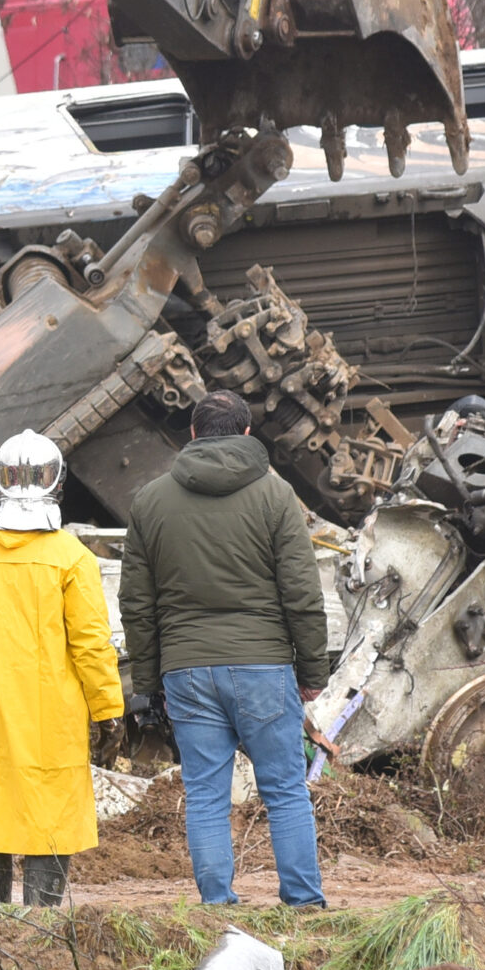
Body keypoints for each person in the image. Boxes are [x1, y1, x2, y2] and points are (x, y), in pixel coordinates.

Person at [120, 389, 332, 910]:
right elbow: (302, 593)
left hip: (187, 670)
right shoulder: (276, 496)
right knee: (284, 789)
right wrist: (313, 670)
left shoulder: (150, 501)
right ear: (245, 434)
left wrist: (147, 684)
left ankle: (216, 904)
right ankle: (303, 903)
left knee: (207, 796)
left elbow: (137, 606)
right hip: (263, 666)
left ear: (192, 435)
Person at [0, 431, 125, 908]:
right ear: (56, 483)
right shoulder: (71, 558)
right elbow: (90, 646)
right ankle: (42, 920)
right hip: (54, 717)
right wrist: (108, 711)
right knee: (52, 809)